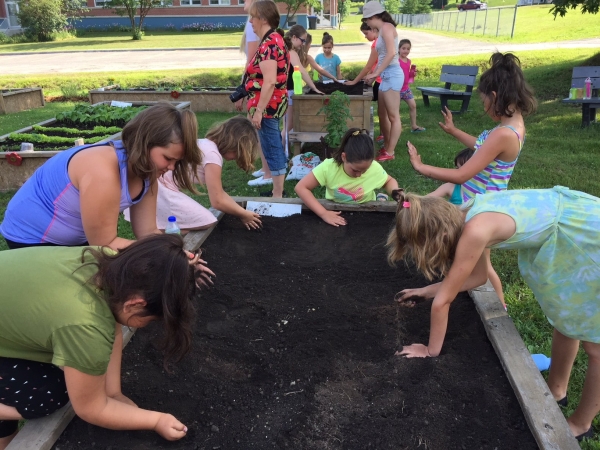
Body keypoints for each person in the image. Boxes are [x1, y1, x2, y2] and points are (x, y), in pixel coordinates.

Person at [389, 187, 600, 442]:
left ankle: (581, 424)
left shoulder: (475, 231)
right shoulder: (465, 213)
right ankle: (556, 392)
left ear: (440, 235)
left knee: (596, 345)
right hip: (569, 225)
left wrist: (430, 350)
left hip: (586, 238)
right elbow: (478, 277)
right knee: (567, 314)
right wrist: (426, 290)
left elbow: (444, 302)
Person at [0, 234, 215, 449]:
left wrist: (114, 393)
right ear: (135, 305)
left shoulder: (112, 264)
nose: (147, 325)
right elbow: (90, 408)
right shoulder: (86, 325)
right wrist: (156, 420)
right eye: (149, 320)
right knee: (49, 394)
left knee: (74, 372)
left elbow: (114, 327)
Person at [406, 52, 537, 309]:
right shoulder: (511, 125)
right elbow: (482, 149)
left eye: (484, 101)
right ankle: (500, 305)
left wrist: (422, 167)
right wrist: (455, 131)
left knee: (478, 265)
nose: (484, 106)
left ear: (495, 97)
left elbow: (462, 174)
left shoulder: (505, 134)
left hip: (482, 206)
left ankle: (486, 302)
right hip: (480, 202)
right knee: (483, 266)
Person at [0, 103, 201, 251]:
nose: (171, 167)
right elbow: (105, 245)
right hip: (31, 238)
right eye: (167, 158)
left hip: (79, 238)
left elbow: (147, 232)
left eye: (177, 162)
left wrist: (178, 255)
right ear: (144, 143)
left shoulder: (148, 173)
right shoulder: (102, 173)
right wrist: (168, 260)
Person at [126, 116, 263, 232]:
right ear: (234, 144)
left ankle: (161, 234)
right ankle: (165, 238)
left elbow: (219, 192)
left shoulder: (206, 144)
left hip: (160, 183)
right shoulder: (213, 156)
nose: (236, 158)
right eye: (238, 153)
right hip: (161, 187)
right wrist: (244, 214)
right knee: (206, 220)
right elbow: (217, 201)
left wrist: (239, 209)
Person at [295, 128, 400, 227]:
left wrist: (395, 192)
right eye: (355, 170)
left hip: (367, 209)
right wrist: (323, 213)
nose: (359, 175)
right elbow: (301, 187)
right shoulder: (328, 167)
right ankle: (381, 198)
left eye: (365, 171)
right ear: (344, 157)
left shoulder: (374, 167)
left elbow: (389, 181)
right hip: (337, 209)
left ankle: (380, 198)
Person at [243, 0, 289, 198]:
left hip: (268, 106)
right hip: (270, 104)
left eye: (253, 17)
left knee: (272, 147)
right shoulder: (273, 40)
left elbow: (269, 82)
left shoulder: (270, 44)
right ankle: (276, 190)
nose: (251, 21)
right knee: (271, 145)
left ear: (263, 18)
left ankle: (278, 194)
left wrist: (259, 110)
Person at [347, 2, 402, 162]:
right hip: (385, 75)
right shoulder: (383, 29)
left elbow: (392, 52)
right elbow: (380, 57)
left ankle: (390, 152)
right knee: (383, 114)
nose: (367, 23)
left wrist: (376, 72)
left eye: (367, 19)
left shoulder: (387, 27)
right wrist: (372, 75)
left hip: (392, 74)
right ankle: (387, 145)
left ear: (372, 17)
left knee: (394, 116)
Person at [398, 39, 425, 133]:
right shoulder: (396, 60)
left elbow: (408, 75)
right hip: (397, 89)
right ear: (399, 49)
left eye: (408, 49)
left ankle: (414, 126)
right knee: (396, 109)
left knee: (413, 106)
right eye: (403, 48)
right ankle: (397, 127)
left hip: (406, 88)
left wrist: (412, 74)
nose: (406, 51)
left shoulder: (409, 61)